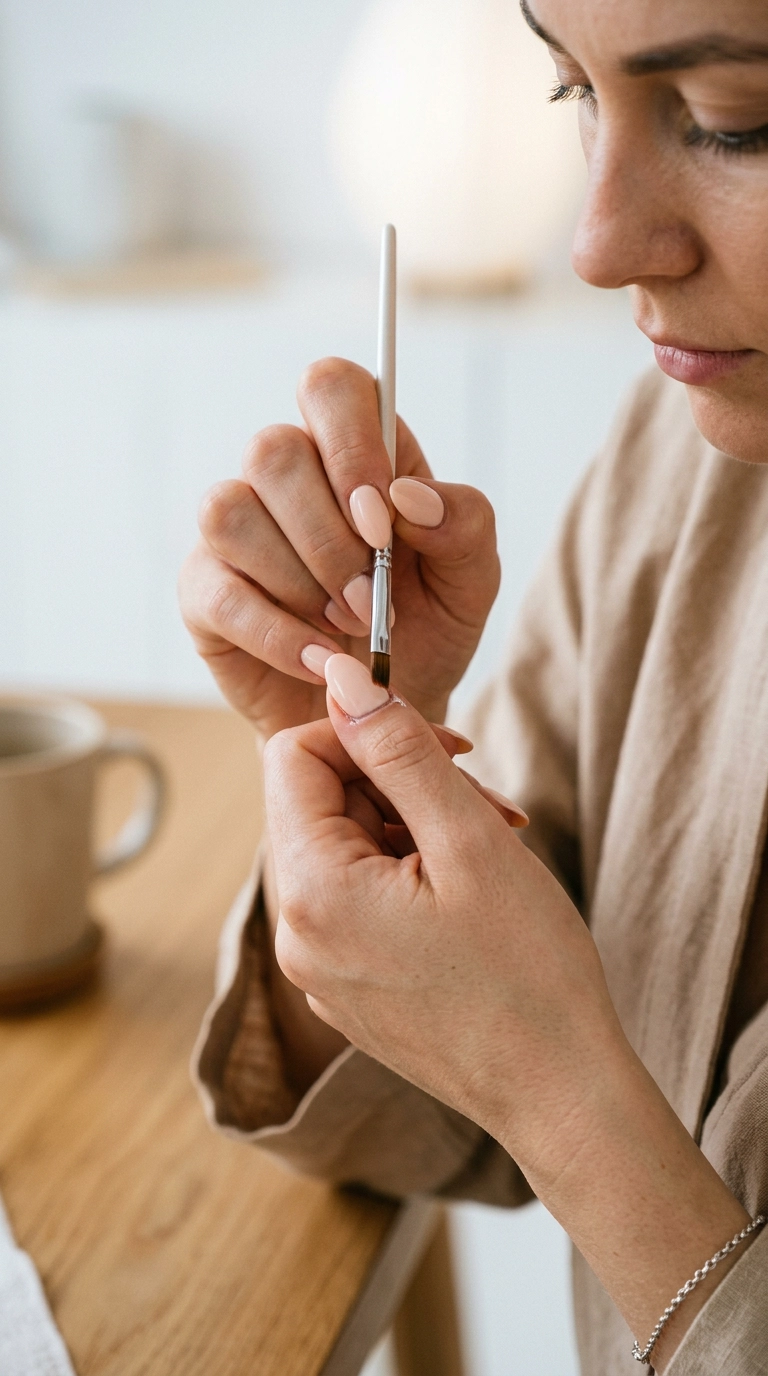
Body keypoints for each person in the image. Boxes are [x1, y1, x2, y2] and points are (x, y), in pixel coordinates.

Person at [178, 0, 768, 1370]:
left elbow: (532, 1069)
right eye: (573, 92)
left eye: (738, 120)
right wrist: (356, 774)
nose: (598, 245)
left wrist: (560, 1091)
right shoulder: (677, 459)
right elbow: (435, 1109)